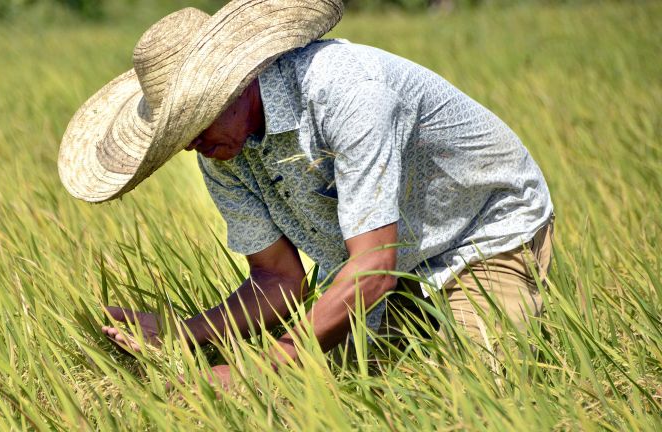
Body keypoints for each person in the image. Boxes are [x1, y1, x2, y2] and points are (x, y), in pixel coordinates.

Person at [58, 0, 554, 386]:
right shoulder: (221, 147)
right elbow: (279, 278)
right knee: (354, 392)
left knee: (477, 394)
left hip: (481, 235)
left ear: (237, 84)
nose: (189, 146)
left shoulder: (344, 91)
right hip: (379, 265)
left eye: (193, 122)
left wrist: (257, 369)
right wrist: (181, 335)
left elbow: (374, 267)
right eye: (178, 134)